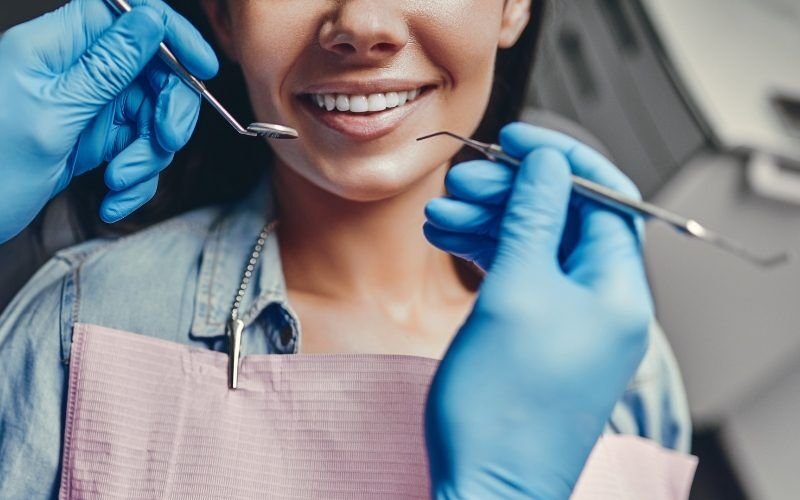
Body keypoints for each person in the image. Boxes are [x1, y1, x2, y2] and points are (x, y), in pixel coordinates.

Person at [0, 0, 690, 498]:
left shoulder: (624, 358)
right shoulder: (82, 320)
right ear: (221, 15)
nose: (361, 24)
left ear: (514, 6)